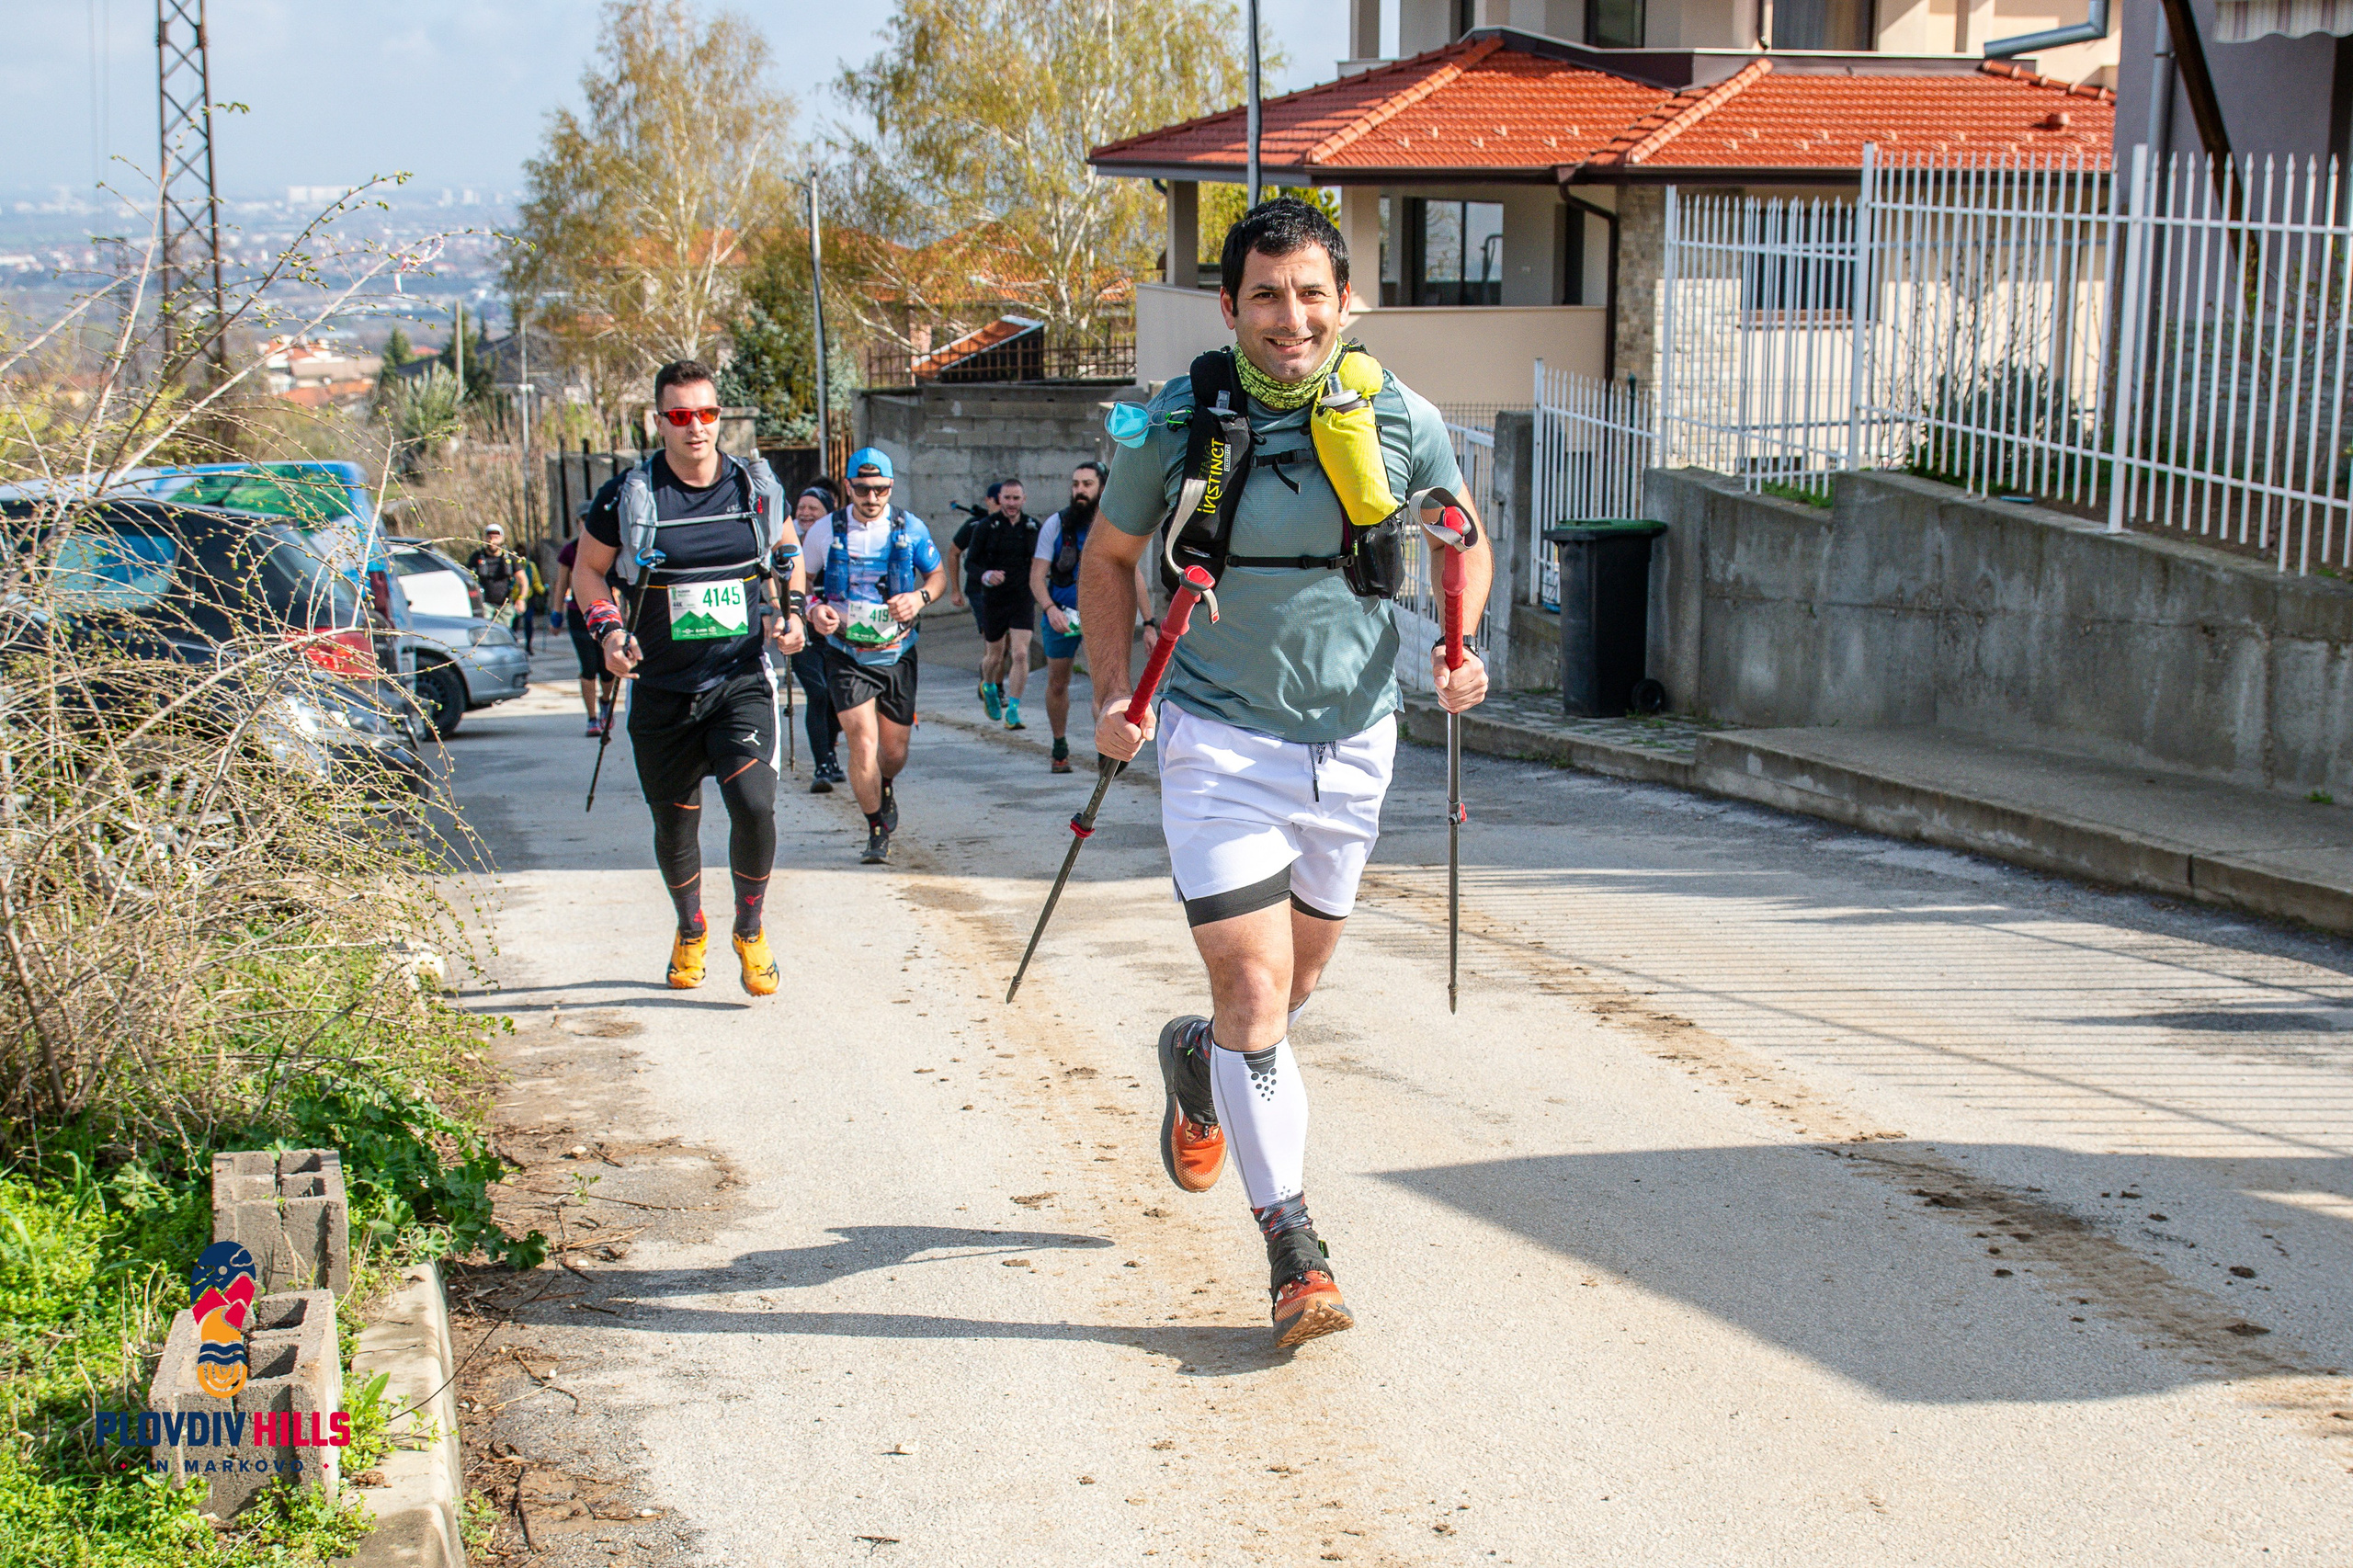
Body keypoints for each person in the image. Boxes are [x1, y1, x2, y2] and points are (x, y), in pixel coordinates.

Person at [1084, 198, 1493, 1348]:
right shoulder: (1177, 422)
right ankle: (1294, 1253)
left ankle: (1197, 1060)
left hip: (1354, 738)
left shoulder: (1398, 414)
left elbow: (1461, 537)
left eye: (1311, 292)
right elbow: (1109, 557)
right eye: (1265, 294)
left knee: (1290, 988)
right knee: (1256, 992)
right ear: (1228, 306)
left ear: (1345, 302)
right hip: (1216, 737)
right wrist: (1114, 695)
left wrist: (1462, 646)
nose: (1290, 316)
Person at [572, 359, 808, 996]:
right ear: (659, 422)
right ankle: (691, 926)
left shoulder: (753, 489)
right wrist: (609, 633)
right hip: (662, 690)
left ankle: (750, 931)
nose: (695, 427)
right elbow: (589, 572)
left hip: (739, 679)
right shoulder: (628, 496)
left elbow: (786, 555)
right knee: (676, 826)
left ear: (719, 417)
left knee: (754, 805)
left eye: (705, 413)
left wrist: (793, 615)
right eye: (680, 415)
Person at [801, 449, 947, 865]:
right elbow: (801, 581)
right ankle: (875, 829)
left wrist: (919, 598)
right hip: (845, 652)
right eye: (863, 489)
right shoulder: (824, 530)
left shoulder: (910, 527)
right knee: (862, 743)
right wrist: (813, 609)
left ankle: (885, 784)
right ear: (848, 487)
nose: (871, 498)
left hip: (897, 651)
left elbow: (937, 576)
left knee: (894, 752)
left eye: (880, 489)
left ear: (891, 487)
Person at [1029, 460, 1153, 774]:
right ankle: (1059, 745)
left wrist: (1150, 623)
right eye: (1075, 485)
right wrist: (1050, 609)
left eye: (1087, 484)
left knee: (1106, 686)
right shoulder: (1056, 524)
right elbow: (1036, 576)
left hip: (1101, 618)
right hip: (1061, 617)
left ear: (1102, 487)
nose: (1079, 491)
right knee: (1058, 682)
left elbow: (1133, 575)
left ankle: (1106, 751)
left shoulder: (1116, 523)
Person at [947, 478, 1039, 729]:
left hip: (1022, 597)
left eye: (1016, 498)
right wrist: (986, 575)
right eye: (1007, 498)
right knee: (994, 657)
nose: (1011, 503)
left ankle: (1014, 710)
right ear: (999, 500)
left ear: (1024, 499)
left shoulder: (1032, 527)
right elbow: (970, 562)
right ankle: (988, 685)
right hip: (994, 599)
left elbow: (1042, 561)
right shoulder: (985, 526)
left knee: (1020, 653)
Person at [783, 485, 844, 792]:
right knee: (817, 693)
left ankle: (830, 755)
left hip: (833, 631)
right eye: (801, 508)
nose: (805, 514)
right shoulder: (787, 541)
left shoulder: (836, 541)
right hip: (800, 631)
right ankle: (822, 765)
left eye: (813, 509)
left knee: (835, 697)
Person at [551, 531, 614, 735]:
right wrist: (556, 612)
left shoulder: (609, 544)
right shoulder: (570, 550)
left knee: (607, 669)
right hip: (578, 614)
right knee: (588, 667)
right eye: (582, 520)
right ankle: (592, 718)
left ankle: (605, 701)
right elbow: (562, 583)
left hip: (606, 612)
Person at [466, 525, 529, 631]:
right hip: (485, 604)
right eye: (489, 537)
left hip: (505, 605)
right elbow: (467, 577)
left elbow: (523, 580)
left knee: (503, 632)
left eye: (496, 537)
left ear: (502, 538)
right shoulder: (477, 557)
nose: (492, 541)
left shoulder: (510, 557)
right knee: (486, 631)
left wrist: (521, 599)